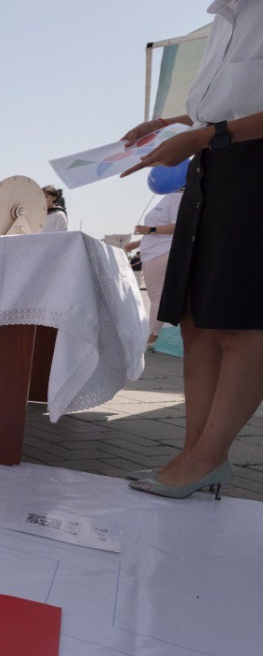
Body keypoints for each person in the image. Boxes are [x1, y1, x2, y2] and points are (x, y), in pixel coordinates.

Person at [117, 0, 263, 500]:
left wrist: (207, 134)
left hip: (253, 171)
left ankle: (207, 457)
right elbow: (225, 106)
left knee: (244, 325)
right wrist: (173, 123)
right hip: (213, 170)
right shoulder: (225, 18)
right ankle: (195, 453)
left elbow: (232, 119)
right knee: (197, 319)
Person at [129, 189, 184, 347]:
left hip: (161, 252)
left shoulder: (178, 196)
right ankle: (153, 335)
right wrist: (137, 243)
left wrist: (150, 230)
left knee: (157, 297)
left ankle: (152, 337)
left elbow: (178, 225)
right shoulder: (169, 195)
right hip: (152, 252)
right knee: (157, 296)